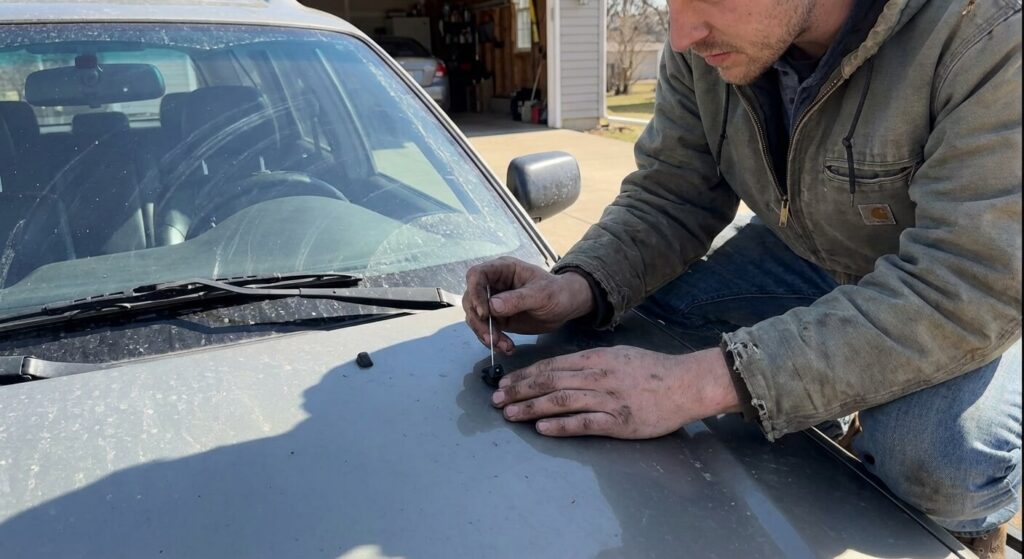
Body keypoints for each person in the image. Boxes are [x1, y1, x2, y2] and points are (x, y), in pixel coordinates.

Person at [462, 0, 1021, 556]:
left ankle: (974, 534)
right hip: (805, 252)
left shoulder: (990, 32)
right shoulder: (708, 42)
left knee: (940, 452)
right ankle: (816, 422)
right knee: (644, 322)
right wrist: (578, 285)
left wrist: (698, 384)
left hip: (962, 280)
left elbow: (969, 281)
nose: (681, 36)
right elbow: (672, 193)